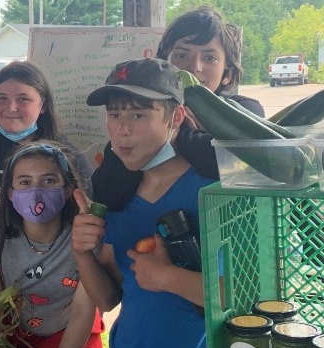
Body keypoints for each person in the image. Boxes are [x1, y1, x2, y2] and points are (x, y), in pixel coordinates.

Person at [73, 58, 214, 348]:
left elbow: (248, 299)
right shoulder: (116, 192)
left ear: (176, 118)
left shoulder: (214, 190)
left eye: (138, 115)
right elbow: (107, 298)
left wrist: (169, 278)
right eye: (114, 115)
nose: (122, 131)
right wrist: (82, 254)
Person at [0, 141, 104, 348]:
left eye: (48, 180)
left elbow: (82, 310)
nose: (36, 191)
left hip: (70, 335)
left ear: (67, 190)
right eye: (24, 182)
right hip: (15, 337)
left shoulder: (85, 231)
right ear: (9, 192)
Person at [92, 6, 263, 211]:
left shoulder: (244, 110)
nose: (194, 67)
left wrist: (179, 133)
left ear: (227, 72)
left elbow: (223, 163)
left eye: (209, 57)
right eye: (182, 55)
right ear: (164, 63)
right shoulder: (141, 114)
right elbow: (110, 193)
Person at [0, 60, 94, 256]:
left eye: (23, 99)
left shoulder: (68, 157)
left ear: (42, 105)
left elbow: (83, 219)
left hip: (56, 273)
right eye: (1, 98)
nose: (11, 107)